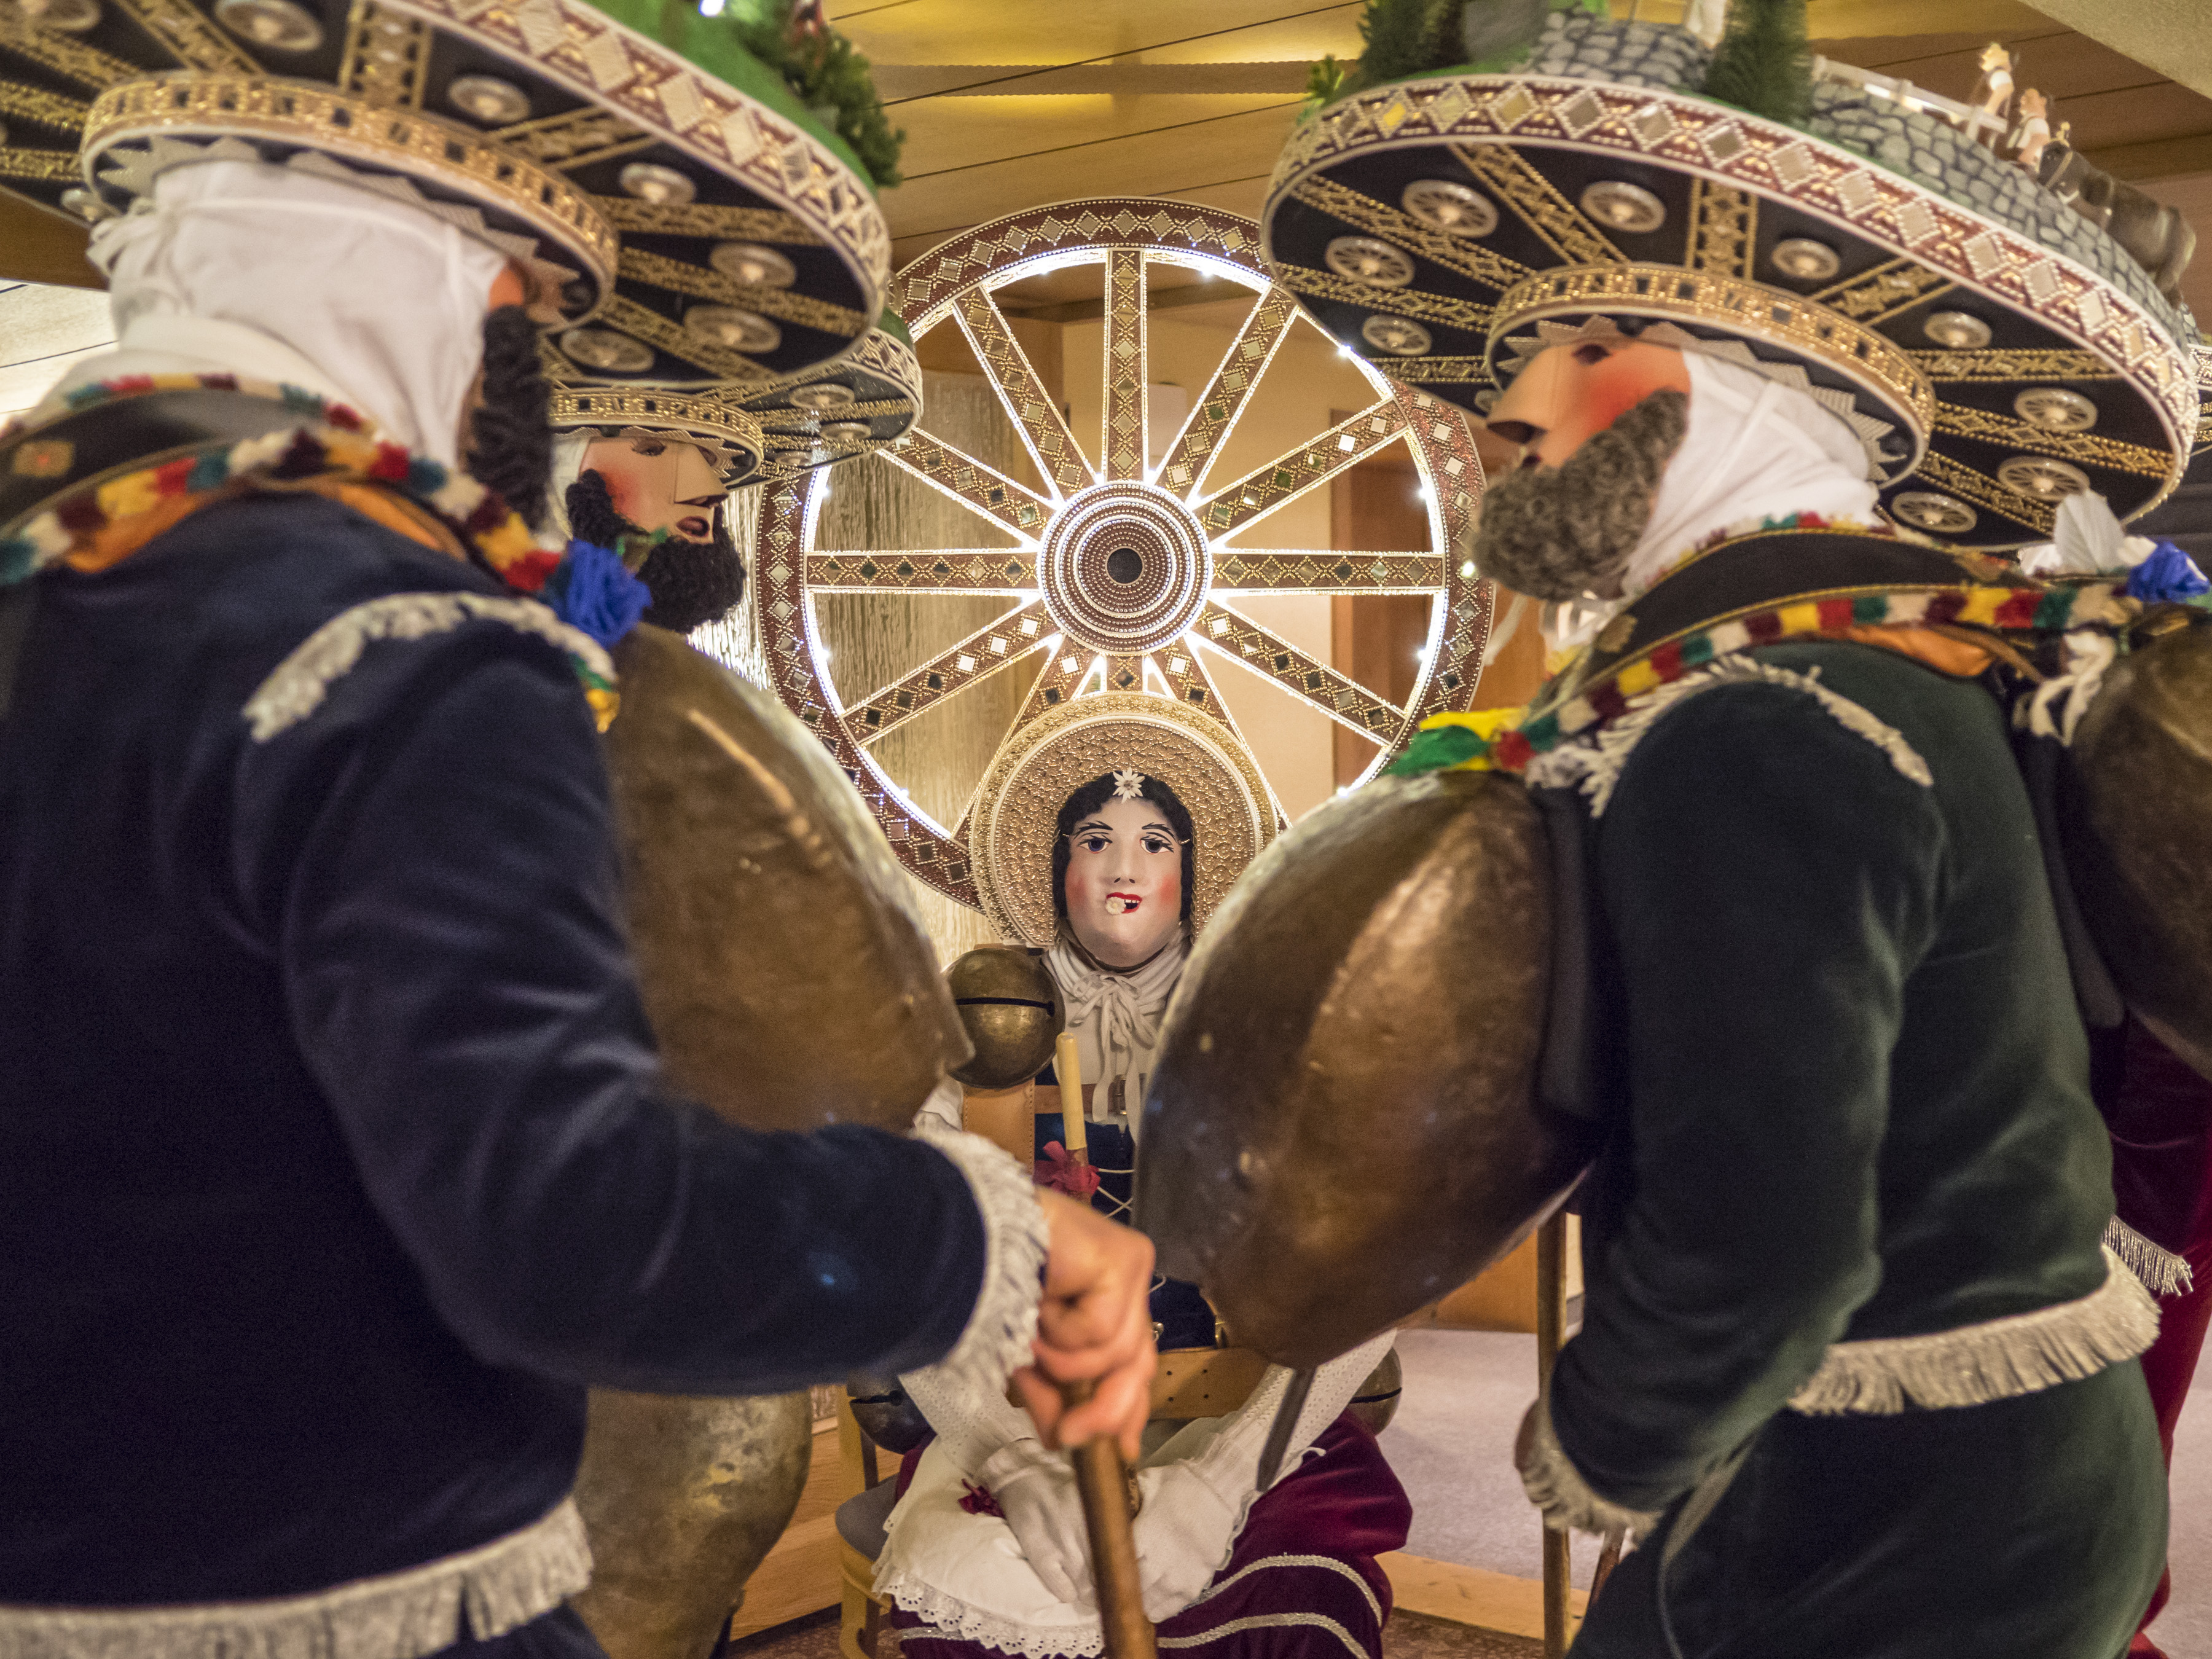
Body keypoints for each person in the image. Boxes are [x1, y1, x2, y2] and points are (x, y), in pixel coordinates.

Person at [0, 6, 1154, 1656]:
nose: (529, 332)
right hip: (327, 1591)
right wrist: (972, 1239)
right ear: (450, 269)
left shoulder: (54, 568)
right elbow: (567, 1234)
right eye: (534, 285)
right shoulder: (416, 644)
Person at [1263, 1, 2208, 1650]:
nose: (1514, 408)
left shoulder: (1753, 725)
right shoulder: (1872, 666)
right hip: (1983, 1470)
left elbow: (1764, 1222)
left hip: (1905, 1496)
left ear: (1721, 392)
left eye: (1570, 351)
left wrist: (1601, 1439)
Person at [894, 761, 1411, 1659]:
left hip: (1250, 1427)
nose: (1124, 870)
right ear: (1055, 868)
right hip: (1026, 1426)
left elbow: (1376, 1278)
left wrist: (1221, 1480)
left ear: (1194, 868)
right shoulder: (971, 1040)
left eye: (1155, 843)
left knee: (1293, 1614)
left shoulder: (1284, 1030)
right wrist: (1006, 1459)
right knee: (975, 1597)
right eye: (1096, 841)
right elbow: (906, 1279)